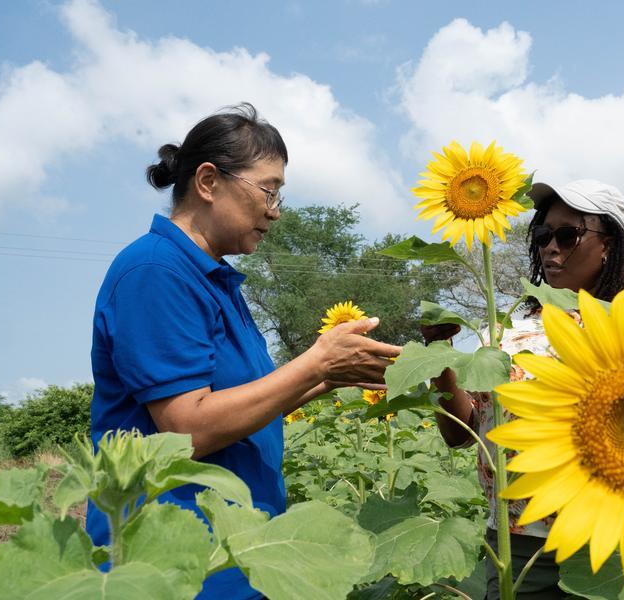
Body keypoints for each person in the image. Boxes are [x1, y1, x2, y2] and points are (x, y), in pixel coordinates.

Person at [87, 103, 401, 599]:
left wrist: (328, 378)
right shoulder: (155, 272)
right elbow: (186, 429)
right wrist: (315, 360)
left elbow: (242, 401)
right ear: (208, 182)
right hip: (175, 569)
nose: (275, 210)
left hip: (234, 560)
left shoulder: (216, 279)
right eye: (268, 190)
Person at [424, 179, 624, 599]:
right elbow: (460, 433)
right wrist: (439, 352)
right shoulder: (507, 331)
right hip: (520, 543)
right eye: (542, 234)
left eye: (567, 234)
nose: (550, 247)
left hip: (616, 536)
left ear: (608, 244)